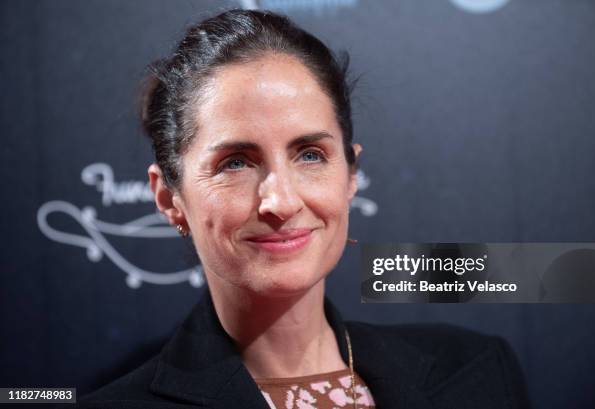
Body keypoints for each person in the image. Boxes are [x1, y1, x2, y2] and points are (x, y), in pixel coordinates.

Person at [78, 9, 530, 409]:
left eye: (310, 155)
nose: (282, 201)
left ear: (351, 174)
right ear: (168, 199)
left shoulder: (477, 370)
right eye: (235, 162)